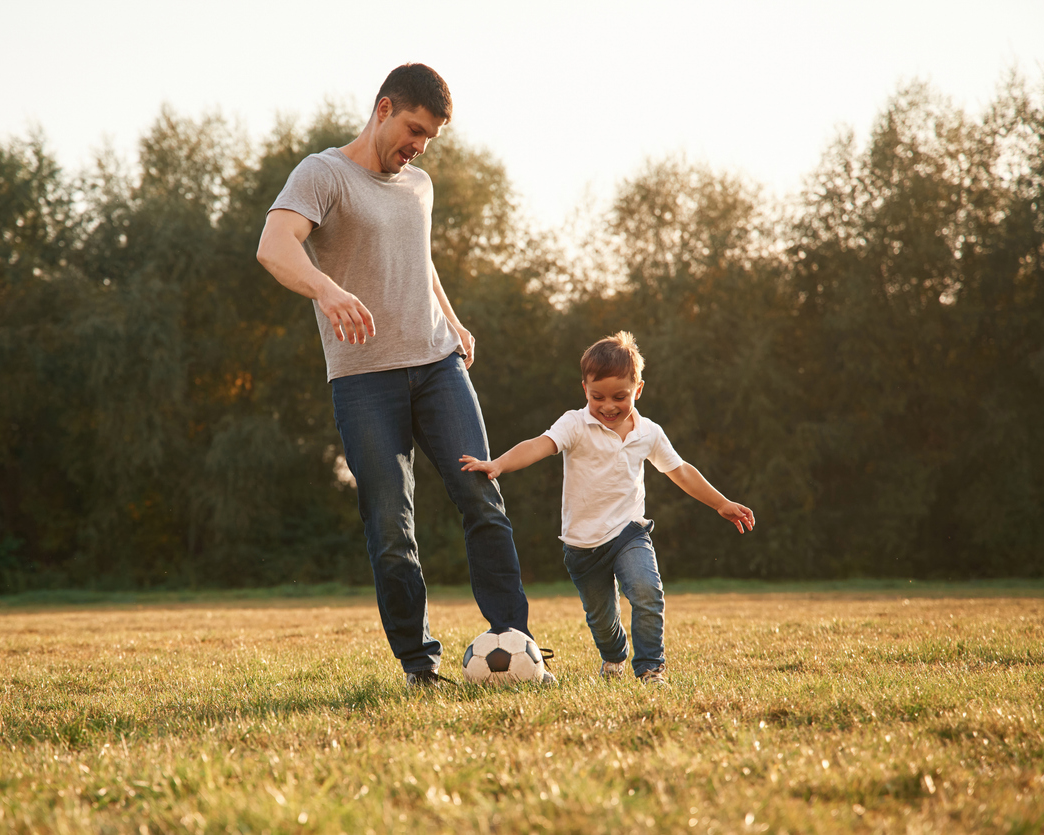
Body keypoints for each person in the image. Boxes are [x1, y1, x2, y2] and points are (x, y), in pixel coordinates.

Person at [256, 63, 550, 687]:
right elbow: (275, 245)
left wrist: (453, 318)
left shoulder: (419, 184)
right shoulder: (323, 174)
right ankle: (420, 665)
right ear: (384, 108)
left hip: (439, 365)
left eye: (429, 139)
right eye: (413, 129)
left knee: (483, 498)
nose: (417, 146)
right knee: (391, 526)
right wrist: (327, 290)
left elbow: (419, 260)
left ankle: (514, 643)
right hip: (365, 380)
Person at [460, 331, 755, 685]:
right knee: (602, 621)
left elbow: (680, 471)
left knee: (647, 591)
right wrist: (498, 465)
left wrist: (720, 502)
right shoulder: (575, 424)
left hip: (629, 533)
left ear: (638, 390)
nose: (609, 406)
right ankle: (614, 656)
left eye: (620, 396)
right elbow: (539, 445)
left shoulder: (648, 432)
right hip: (582, 546)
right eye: (597, 396)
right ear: (584, 388)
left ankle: (650, 668)